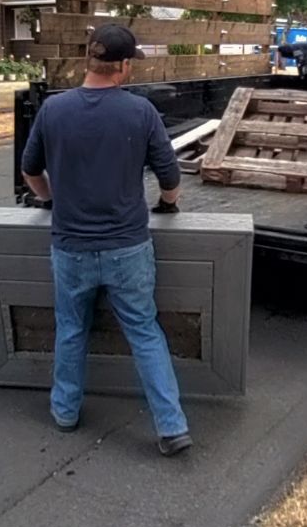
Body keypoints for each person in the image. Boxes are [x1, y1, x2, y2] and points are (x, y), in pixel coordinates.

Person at [20, 23, 192, 456]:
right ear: (124, 65)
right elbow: (170, 178)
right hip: (127, 249)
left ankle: (65, 412)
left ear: (89, 60)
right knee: (144, 332)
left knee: (71, 329)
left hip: (71, 247)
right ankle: (171, 427)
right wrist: (168, 204)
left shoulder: (54, 110)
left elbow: (30, 171)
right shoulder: (140, 113)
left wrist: (53, 200)